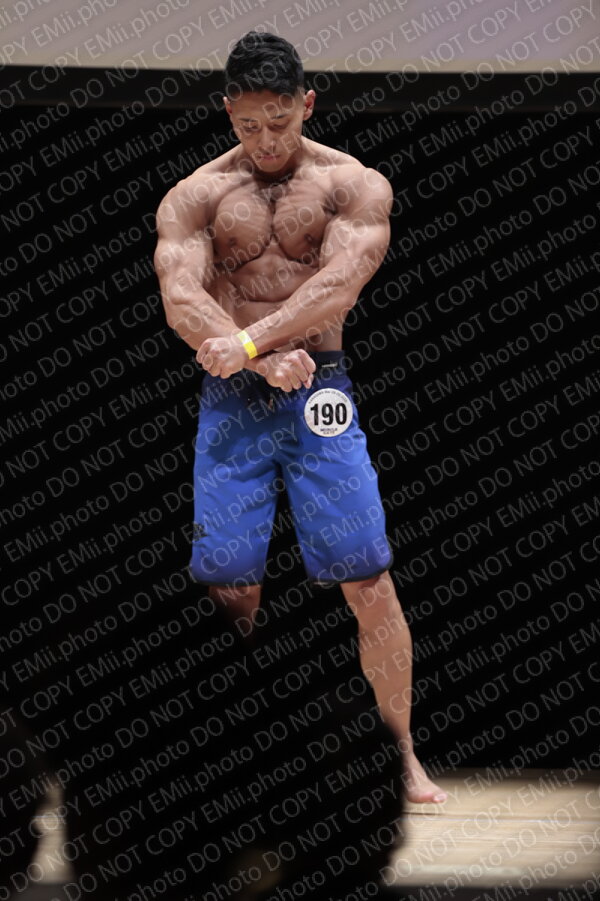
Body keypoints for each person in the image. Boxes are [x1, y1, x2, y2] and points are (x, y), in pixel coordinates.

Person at [153, 31, 447, 804]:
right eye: (249, 124)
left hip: (321, 394)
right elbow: (182, 298)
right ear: (228, 112)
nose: (266, 139)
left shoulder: (353, 185)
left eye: (279, 120)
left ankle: (402, 756)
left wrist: (254, 341)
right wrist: (255, 361)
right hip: (235, 398)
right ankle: (227, 764)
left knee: (369, 580)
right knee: (230, 593)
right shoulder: (196, 195)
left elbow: (339, 285)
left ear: (307, 104)